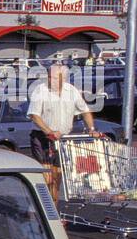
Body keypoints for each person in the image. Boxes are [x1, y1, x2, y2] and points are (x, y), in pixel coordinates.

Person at [27, 62, 100, 194]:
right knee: (47, 178)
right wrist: (49, 132)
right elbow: (34, 115)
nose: (50, 80)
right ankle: (39, 208)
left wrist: (91, 129)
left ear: (63, 79)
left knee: (56, 180)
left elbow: (85, 111)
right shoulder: (41, 90)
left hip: (62, 140)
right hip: (43, 138)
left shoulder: (71, 91)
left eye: (54, 78)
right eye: (49, 76)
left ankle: (52, 212)